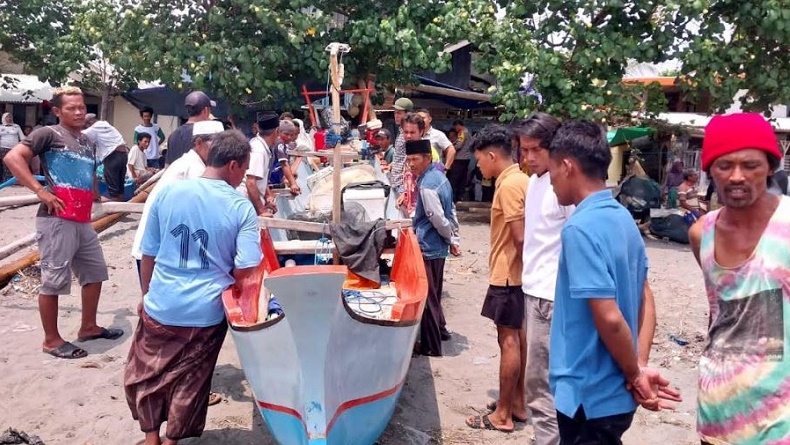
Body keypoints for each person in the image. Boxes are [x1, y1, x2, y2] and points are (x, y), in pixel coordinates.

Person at [125, 130, 261, 445]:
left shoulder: (168, 192)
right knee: (191, 381)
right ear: (232, 165)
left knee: (148, 372)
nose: (242, 176)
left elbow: (149, 252)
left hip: (162, 302)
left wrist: (146, 295)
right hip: (207, 311)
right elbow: (248, 266)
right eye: (243, 168)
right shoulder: (241, 208)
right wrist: (235, 285)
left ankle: (151, 437)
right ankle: (172, 440)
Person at [547, 120, 679, 444]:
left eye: (550, 171)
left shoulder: (579, 229)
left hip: (586, 397)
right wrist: (639, 366)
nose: (549, 181)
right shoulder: (623, 218)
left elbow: (608, 316)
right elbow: (646, 297)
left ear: (567, 166)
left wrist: (635, 373)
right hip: (618, 396)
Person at [689, 113, 789, 445]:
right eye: (724, 165)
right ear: (709, 171)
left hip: (779, 420)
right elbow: (720, 313)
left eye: (750, 165)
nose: (736, 176)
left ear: (771, 167)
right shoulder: (701, 233)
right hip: (719, 413)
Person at [2, 86, 123, 359]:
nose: (80, 112)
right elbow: (12, 157)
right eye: (72, 108)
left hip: (82, 220)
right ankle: (51, 340)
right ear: (57, 111)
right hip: (56, 220)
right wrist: (40, 190)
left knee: (95, 274)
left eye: (82, 107)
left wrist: (96, 196)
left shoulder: (88, 141)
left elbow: (88, 171)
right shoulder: (48, 134)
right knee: (54, 281)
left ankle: (89, 327)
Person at [466, 125, 529, 433]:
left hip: (508, 276)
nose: (478, 166)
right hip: (515, 276)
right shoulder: (520, 180)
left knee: (508, 342)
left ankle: (503, 414)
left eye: (480, 160)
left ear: (492, 156)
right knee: (517, 338)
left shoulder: (510, 185)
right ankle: (516, 403)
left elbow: (521, 238)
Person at [516, 113, 568, 444]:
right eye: (524, 150)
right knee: (537, 381)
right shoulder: (535, 183)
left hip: (552, 297)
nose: (529, 157)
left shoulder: (563, 186)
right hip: (533, 290)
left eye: (536, 150)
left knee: (545, 383)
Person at [131, 120, 226, 276]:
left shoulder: (191, 163)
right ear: (199, 143)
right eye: (216, 144)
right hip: (154, 252)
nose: (220, 151)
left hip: (160, 249)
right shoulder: (193, 169)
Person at [407, 139, 460, 357]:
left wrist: (449, 238)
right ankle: (441, 330)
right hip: (438, 245)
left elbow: (436, 217)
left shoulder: (427, 184)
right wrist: (454, 238)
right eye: (409, 159)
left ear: (428, 158)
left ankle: (431, 346)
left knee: (428, 298)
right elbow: (451, 211)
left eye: (415, 159)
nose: (411, 164)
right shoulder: (439, 178)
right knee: (435, 292)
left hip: (430, 244)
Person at [238, 112, 279, 217]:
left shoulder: (260, 145)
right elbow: (250, 183)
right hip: (245, 203)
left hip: (249, 202)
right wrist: (261, 210)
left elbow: (260, 178)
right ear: (276, 131)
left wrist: (268, 196)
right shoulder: (258, 150)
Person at [83, 113, 129, 201]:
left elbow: (81, 135)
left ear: (89, 122)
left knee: (113, 189)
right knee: (119, 186)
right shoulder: (106, 124)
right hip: (123, 155)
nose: (86, 127)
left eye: (86, 125)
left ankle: (115, 209)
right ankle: (119, 206)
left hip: (112, 156)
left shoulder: (94, 128)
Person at [165, 91, 215, 165]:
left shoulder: (173, 135)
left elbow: (167, 166)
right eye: (210, 110)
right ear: (205, 110)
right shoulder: (206, 134)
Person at [388, 97, 414, 206]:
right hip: (397, 182)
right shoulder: (401, 131)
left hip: (403, 184)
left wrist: (406, 191)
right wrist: (393, 163)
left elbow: (411, 162)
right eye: (395, 113)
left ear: (407, 114)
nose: (396, 115)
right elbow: (402, 155)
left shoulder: (408, 134)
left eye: (399, 113)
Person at [416, 108, 456, 173]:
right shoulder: (414, 135)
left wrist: (446, 168)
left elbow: (451, 150)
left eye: (423, 118)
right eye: (418, 118)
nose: (421, 120)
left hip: (434, 172)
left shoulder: (438, 134)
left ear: (430, 119)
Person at [270, 120, 301, 195]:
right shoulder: (279, 144)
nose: (289, 137)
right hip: (271, 181)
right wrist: (293, 183)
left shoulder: (279, 143)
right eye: (286, 134)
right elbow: (284, 164)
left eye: (292, 135)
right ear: (278, 132)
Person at [1, 112, 26, 182]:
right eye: (7, 117)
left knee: (14, 164)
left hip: (14, 149)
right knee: (5, 165)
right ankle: (6, 180)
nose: (9, 119)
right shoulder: (1, 127)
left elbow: (22, 137)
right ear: (3, 118)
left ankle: (14, 180)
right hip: (3, 148)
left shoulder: (16, 126)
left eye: (10, 117)